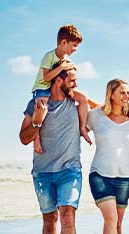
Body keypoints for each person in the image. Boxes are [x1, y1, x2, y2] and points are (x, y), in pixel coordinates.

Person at [19, 60, 90, 234]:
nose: (75, 84)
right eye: (72, 80)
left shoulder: (77, 101)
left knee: (68, 215)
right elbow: (23, 138)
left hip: (70, 170)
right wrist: (38, 122)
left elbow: (102, 106)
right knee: (50, 220)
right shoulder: (36, 104)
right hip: (43, 172)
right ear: (58, 80)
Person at [85, 79, 129, 234]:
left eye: (128, 92)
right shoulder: (96, 116)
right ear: (111, 94)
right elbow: (79, 123)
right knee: (111, 219)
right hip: (100, 174)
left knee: (118, 223)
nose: (126, 96)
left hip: (124, 176)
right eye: (122, 92)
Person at [27, 24, 92, 154]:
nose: (75, 49)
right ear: (63, 42)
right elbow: (46, 78)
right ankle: (37, 139)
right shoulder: (49, 56)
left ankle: (82, 129)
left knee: (83, 98)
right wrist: (62, 68)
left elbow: (66, 75)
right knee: (42, 111)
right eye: (74, 45)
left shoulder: (66, 59)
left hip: (56, 87)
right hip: (42, 89)